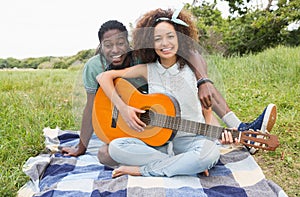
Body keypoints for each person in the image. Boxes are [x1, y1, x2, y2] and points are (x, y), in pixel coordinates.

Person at [62, 14, 276, 158]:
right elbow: (91, 106)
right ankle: (174, 160)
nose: (115, 49)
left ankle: (240, 129)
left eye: (121, 43)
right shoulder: (93, 67)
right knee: (106, 154)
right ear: (100, 47)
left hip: (161, 115)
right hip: (130, 122)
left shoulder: (142, 56)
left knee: (201, 93)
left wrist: (203, 80)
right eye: (108, 45)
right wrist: (81, 147)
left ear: (130, 43)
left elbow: (191, 53)